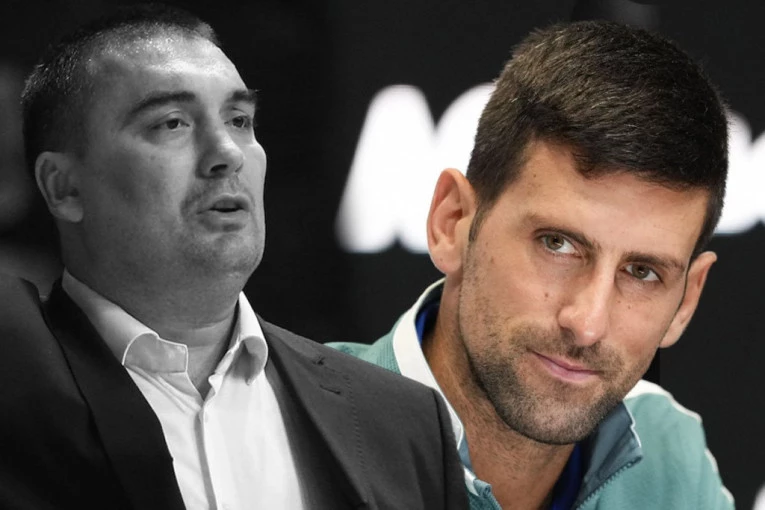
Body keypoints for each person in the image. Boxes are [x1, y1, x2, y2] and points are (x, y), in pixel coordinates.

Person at [0, 5, 468, 510]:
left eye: (240, 120)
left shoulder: (405, 422)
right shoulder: (17, 375)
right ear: (64, 187)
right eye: (172, 123)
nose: (228, 152)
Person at [330, 20, 734, 509]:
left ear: (686, 300)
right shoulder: (287, 424)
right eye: (557, 244)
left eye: (642, 273)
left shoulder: (667, 451)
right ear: (451, 222)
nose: (587, 324)